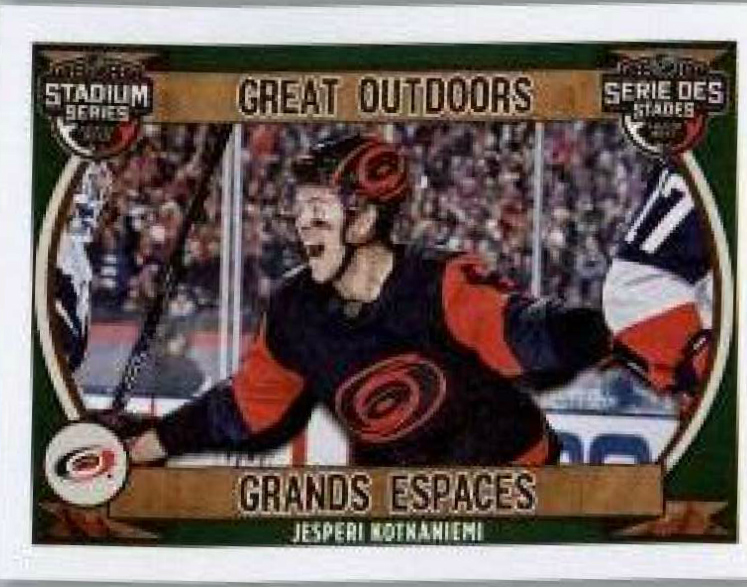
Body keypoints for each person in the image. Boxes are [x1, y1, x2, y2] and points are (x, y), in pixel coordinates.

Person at [125, 134, 613, 466]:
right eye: (300, 209)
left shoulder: (440, 283)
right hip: (398, 504)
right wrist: (143, 446)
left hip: (507, 485)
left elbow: (527, 331)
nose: (302, 223)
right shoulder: (294, 309)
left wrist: (602, 329)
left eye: (318, 210)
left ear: (362, 221)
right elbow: (245, 408)